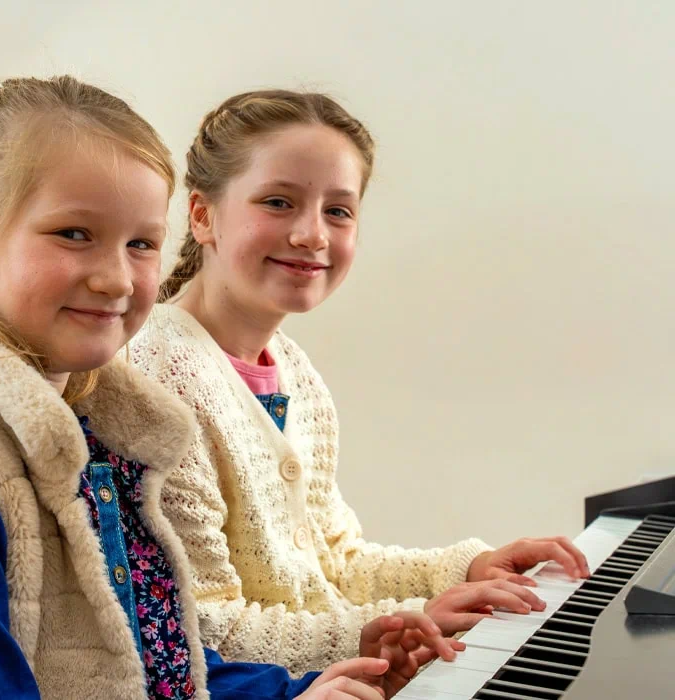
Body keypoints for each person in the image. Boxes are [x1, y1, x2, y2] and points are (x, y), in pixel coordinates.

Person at [0, 76, 457, 700]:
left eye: (140, 244)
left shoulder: (100, 424)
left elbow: (155, 657)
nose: (115, 278)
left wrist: (295, 691)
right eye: (74, 234)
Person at [130, 89, 590, 674]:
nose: (312, 235)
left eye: (338, 211)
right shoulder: (155, 379)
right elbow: (203, 630)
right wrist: (412, 616)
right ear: (202, 215)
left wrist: (469, 568)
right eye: (278, 202)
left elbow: (337, 564)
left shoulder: (295, 374)